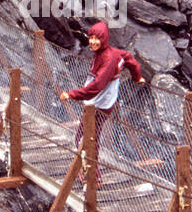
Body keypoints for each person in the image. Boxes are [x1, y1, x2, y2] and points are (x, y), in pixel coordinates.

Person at [59, 21, 145, 184]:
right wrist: (137, 76)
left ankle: (93, 176)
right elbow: (129, 59)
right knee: (88, 138)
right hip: (100, 104)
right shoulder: (114, 53)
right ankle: (89, 172)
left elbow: (97, 86)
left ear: (104, 39)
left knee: (85, 139)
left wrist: (71, 94)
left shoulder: (108, 60)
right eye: (91, 38)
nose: (92, 42)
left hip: (98, 106)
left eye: (97, 38)